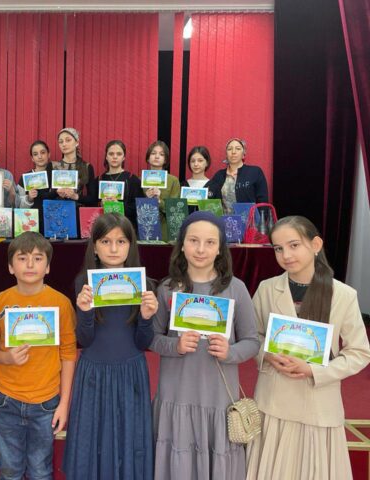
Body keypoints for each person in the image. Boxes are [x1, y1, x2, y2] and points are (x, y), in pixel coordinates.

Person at [246, 216, 370, 480]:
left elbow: (359, 352)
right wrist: (266, 354)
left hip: (317, 406)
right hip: (273, 401)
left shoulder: (343, 294)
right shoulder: (267, 289)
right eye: (278, 248)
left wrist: (315, 371)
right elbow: (251, 336)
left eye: (294, 245)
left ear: (315, 245)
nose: (286, 255)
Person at [150, 211, 260, 479]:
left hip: (217, 396)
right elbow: (151, 338)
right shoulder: (167, 288)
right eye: (193, 241)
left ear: (220, 248)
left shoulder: (236, 288)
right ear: (182, 245)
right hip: (177, 393)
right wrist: (174, 346)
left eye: (210, 242)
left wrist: (230, 352)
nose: (201, 249)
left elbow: (252, 341)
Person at [63, 213, 157, 479]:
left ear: (131, 245)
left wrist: (146, 318)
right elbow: (85, 340)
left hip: (130, 375)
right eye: (105, 241)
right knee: (92, 441)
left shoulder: (145, 286)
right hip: (93, 374)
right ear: (94, 246)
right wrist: (85, 312)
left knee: (130, 442)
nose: (113, 249)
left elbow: (143, 342)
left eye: (121, 241)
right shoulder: (84, 284)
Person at [0, 232, 77, 479]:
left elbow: (68, 354)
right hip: (6, 399)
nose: (30, 264)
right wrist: (6, 358)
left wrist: (64, 403)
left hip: (46, 401)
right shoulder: (0, 302)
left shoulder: (60, 304)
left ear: (47, 267)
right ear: (10, 266)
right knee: (9, 469)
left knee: (40, 470)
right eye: (22, 258)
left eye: (38, 258)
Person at [205, 138, 268, 214]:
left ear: (243, 154)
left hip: (249, 220)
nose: (233, 152)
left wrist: (261, 219)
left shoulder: (255, 172)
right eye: (229, 149)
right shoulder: (219, 175)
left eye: (238, 149)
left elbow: (263, 202)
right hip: (224, 220)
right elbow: (207, 195)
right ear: (226, 155)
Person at [97, 139, 142, 228]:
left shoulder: (132, 179)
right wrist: (101, 205)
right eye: (111, 154)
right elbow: (91, 208)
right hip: (104, 227)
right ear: (106, 157)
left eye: (119, 154)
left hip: (126, 226)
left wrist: (118, 206)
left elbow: (138, 207)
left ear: (124, 157)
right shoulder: (99, 180)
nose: (115, 157)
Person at [142, 141, 181, 241]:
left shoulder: (173, 180)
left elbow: (175, 210)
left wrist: (159, 200)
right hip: (144, 231)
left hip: (166, 232)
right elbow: (135, 208)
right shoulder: (139, 180)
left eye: (161, 154)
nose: (157, 156)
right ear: (148, 158)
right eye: (153, 153)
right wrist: (146, 199)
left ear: (165, 160)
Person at [52, 128, 97, 207]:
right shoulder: (53, 166)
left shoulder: (86, 167)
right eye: (61, 141)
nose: (64, 144)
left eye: (68, 140)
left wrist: (76, 196)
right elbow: (45, 195)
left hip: (78, 211)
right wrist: (56, 192)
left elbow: (93, 199)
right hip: (56, 211)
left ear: (77, 142)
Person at [18, 140, 56, 231]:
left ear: (48, 154)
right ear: (32, 158)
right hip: (32, 225)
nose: (40, 156)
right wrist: (29, 198)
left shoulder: (56, 176)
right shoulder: (25, 178)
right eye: (35, 154)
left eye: (43, 152)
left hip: (54, 223)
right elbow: (19, 205)